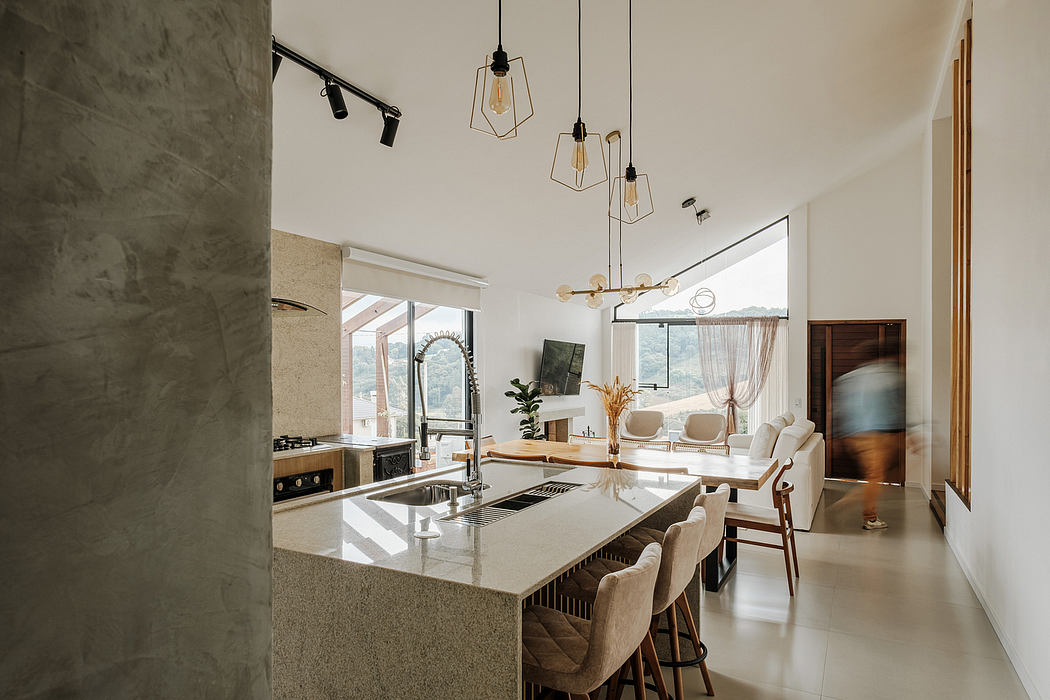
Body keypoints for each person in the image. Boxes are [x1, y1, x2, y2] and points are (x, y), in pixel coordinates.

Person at [833, 344, 905, 530]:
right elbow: (898, 407)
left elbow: (839, 409)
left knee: (877, 475)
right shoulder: (892, 375)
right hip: (878, 435)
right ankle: (866, 515)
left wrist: (837, 436)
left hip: (854, 435)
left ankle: (867, 512)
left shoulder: (848, 379)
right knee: (876, 476)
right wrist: (907, 432)